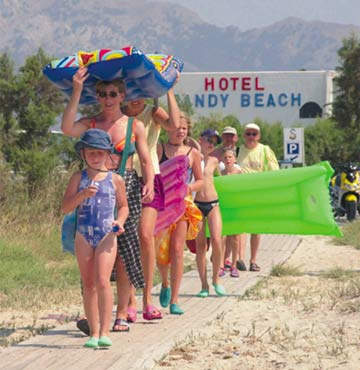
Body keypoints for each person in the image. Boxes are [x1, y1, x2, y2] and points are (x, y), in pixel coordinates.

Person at [61, 66, 154, 333]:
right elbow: (67, 127)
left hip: (125, 185)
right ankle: (93, 318)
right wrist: (77, 90)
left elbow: (145, 159)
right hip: (93, 186)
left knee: (124, 252)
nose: (108, 98)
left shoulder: (134, 125)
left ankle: (121, 314)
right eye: (102, 93)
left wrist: (148, 181)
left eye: (113, 93)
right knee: (89, 251)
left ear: (122, 95)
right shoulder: (91, 123)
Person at [119, 84, 181, 324]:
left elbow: (174, 126)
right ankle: (130, 301)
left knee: (145, 236)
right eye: (132, 94)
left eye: (140, 94)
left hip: (150, 177)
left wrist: (169, 91)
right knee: (129, 239)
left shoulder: (152, 113)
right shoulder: (118, 114)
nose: (137, 100)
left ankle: (147, 298)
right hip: (124, 178)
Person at [61, 129, 129, 348]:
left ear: (107, 153)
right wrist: (81, 195)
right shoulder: (77, 178)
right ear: (83, 153)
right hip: (83, 234)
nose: (95, 156)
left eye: (99, 152)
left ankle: (105, 331)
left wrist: (120, 221)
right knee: (88, 283)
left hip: (107, 234)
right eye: (90, 152)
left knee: (102, 281)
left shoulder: (115, 179)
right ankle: (94, 331)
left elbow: (124, 206)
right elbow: (65, 207)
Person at [155, 113, 203, 314]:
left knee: (176, 249)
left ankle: (175, 299)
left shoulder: (193, 153)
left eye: (184, 128)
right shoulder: (159, 149)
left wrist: (188, 189)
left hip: (183, 206)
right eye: (176, 127)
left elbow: (201, 180)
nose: (180, 131)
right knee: (161, 251)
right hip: (162, 206)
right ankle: (165, 282)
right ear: (168, 128)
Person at [236, 123, 279, 271]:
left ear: (259, 136)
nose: (251, 137)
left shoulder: (265, 150)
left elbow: (274, 172)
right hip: (241, 195)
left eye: (254, 134)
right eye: (248, 133)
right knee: (241, 227)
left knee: (256, 229)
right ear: (243, 135)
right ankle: (239, 259)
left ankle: (253, 260)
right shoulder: (238, 151)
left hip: (258, 195)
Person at [194, 129, 226, 297]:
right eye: (209, 141)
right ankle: (204, 285)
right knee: (201, 247)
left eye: (214, 142)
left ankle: (216, 279)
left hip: (213, 204)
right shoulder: (193, 158)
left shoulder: (215, 161)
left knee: (217, 240)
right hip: (197, 205)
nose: (212, 144)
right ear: (201, 140)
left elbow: (224, 179)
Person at [219, 148, 243, 278]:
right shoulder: (220, 174)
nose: (228, 159)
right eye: (225, 157)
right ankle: (221, 265)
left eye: (230, 157)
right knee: (222, 237)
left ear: (235, 159)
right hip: (223, 207)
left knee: (235, 237)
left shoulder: (239, 173)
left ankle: (234, 265)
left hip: (235, 207)